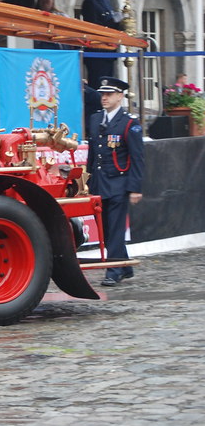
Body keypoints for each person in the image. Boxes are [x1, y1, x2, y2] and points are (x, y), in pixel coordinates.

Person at [87, 76, 144, 287]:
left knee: (116, 228)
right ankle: (124, 265)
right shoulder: (95, 119)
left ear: (120, 96)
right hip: (99, 183)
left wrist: (135, 188)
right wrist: (87, 180)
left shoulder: (130, 123)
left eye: (109, 94)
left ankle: (113, 271)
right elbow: (93, 153)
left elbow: (137, 158)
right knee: (106, 227)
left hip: (119, 183)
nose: (104, 98)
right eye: (102, 94)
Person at [80, 0, 121, 88]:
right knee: (98, 84)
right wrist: (112, 21)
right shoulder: (90, 2)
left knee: (108, 85)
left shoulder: (107, 2)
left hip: (109, 50)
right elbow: (94, 26)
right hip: (97, 50)